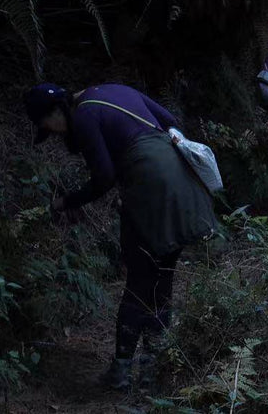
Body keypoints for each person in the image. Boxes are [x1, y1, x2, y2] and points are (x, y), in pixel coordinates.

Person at [26, 82, 217, 391]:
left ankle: (122, 371)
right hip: (181, 179)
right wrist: (136, 178)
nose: (57, 136)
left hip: (152, 186)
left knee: (139, 279)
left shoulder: (84, 117)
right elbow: (170, 121)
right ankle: (152, 369)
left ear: (56, 111)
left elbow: (103, 178)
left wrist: (67, 202)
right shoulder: (112, 90)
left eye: (50, 128)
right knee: (163, 275)